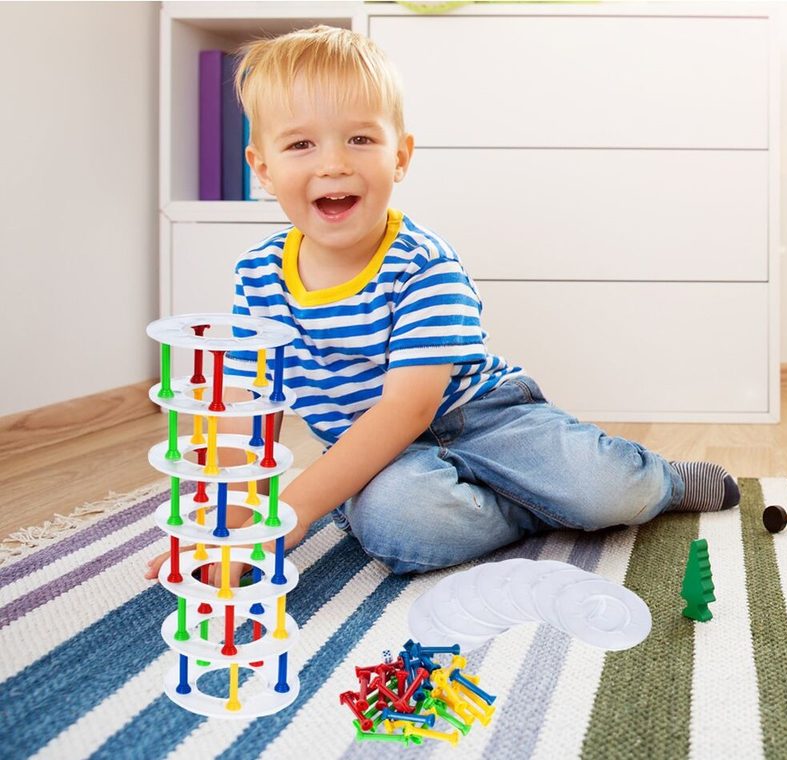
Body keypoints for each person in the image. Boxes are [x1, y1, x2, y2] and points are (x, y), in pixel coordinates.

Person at [145, 25, 738, 581]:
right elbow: (250, 410)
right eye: (301, 144)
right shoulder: (257, 276)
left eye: (360, 139)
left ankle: (660, 481)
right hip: (384, 459)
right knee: (398, 525)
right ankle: (528, 506)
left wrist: (294, 512)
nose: (333, 163)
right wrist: (234, 525)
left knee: (608, 493)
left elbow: (407, 409)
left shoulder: (423, 263)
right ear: (263, 169)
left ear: (400, 156)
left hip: (483, 417)